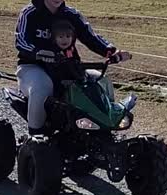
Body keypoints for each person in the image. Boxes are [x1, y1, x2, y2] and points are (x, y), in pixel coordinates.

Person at [14, 0, 131, 135]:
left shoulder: (71, 14)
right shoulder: (29, 13)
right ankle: (35, 136)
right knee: (42, 88)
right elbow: (21, 41)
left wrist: (112, 51)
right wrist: (38, 52)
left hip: (68, 67)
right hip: (33, 66)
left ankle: (105, 128)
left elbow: (90, 37)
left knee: (101, 82)